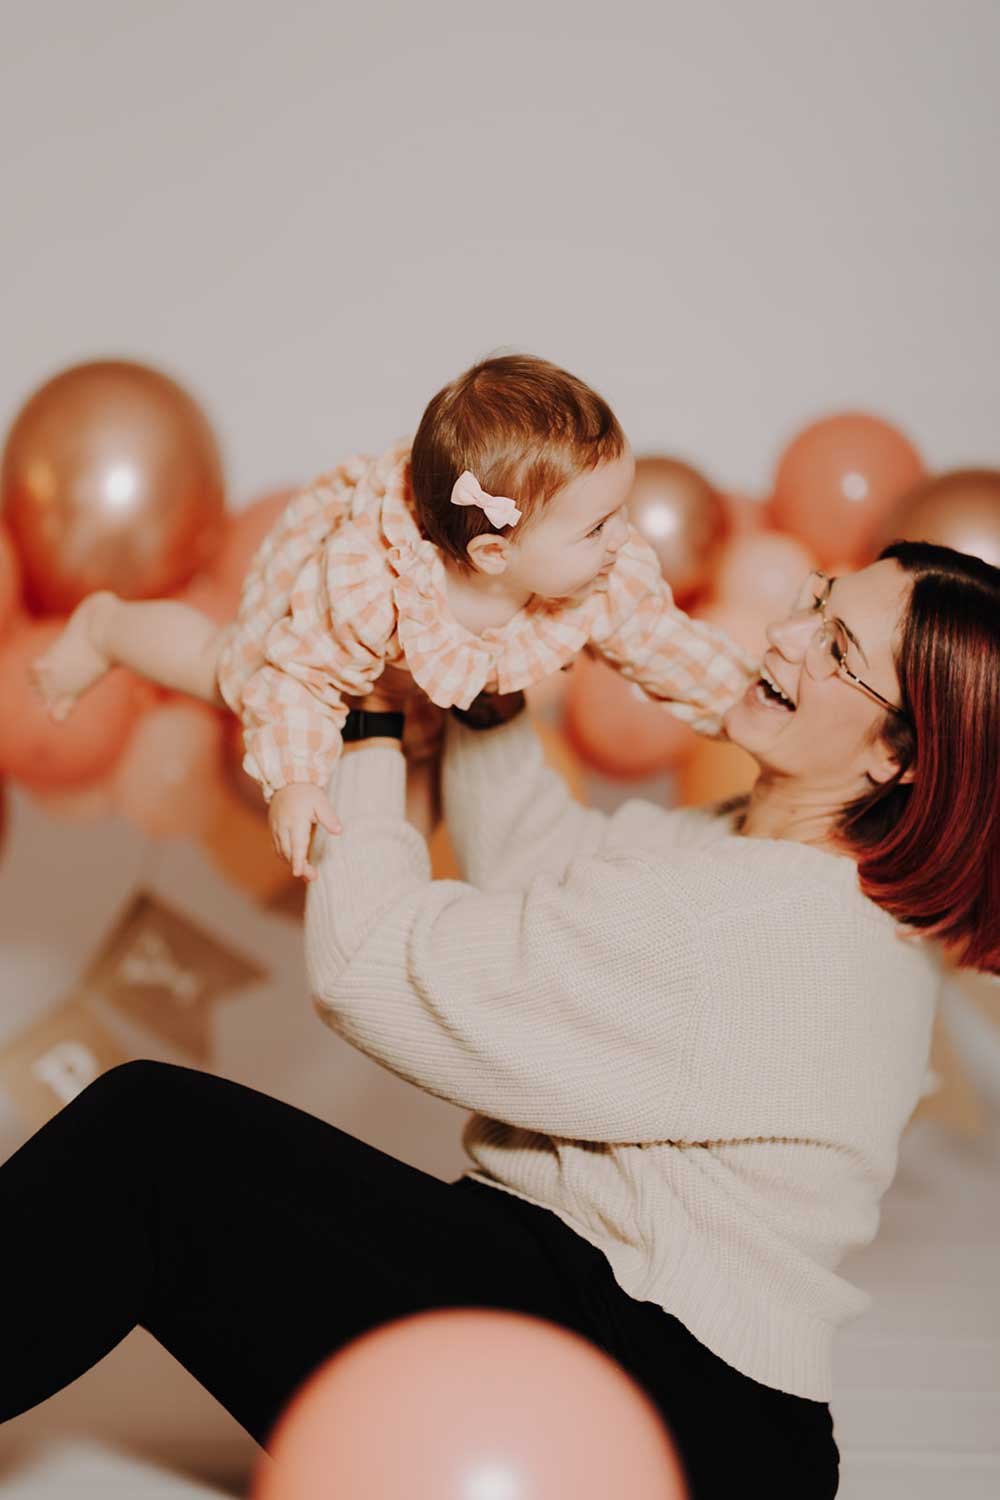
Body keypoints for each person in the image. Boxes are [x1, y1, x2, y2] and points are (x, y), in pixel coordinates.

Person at [3, 542, 997, 1498]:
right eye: (817, 600)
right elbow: (545, 866)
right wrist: (479, 666)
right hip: (618, 1339)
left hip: (664, 1406)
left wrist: (363, 723)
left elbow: (373, 968)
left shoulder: (766, 928)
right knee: (173, 1160)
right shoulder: (770, 863)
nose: (788, 635)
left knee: (153, 1143)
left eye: (838, 653)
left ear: (898, 756)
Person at [29, 352, 754, 880]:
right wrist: (297, 781)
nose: (622, 537)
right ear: (498, 554)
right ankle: (107, 626)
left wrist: (745, 708)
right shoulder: (367, 581)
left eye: (620, 511)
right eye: (596, 527)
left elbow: (665, 646)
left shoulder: (599, 574)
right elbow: (301, 682)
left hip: (424, 663)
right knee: (227, 672)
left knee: (416, 788)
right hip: (317, 634)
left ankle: (366, 888)